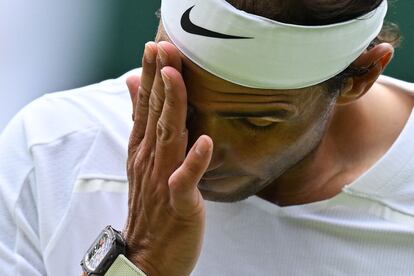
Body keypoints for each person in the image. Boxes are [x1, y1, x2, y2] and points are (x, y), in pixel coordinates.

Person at [1, 0, 414, 275]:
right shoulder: (50, 149)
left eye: (257, 122)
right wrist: (142, 261)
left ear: (361, 76)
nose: (197, 154)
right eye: (180, 100)